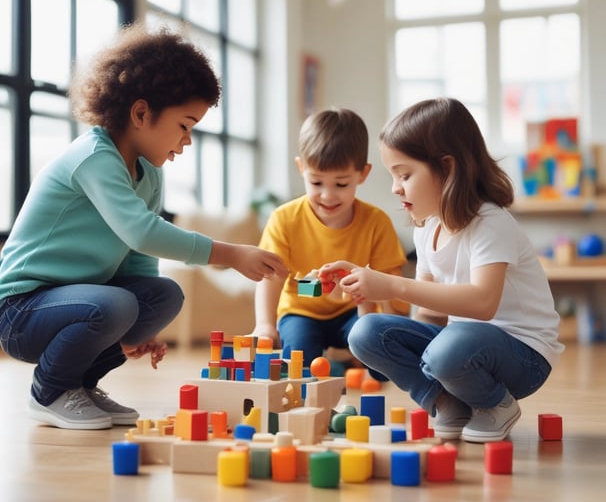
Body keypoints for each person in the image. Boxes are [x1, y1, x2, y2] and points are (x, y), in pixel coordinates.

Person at [0, 23, 288, 431]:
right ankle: (49, 392)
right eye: (184, 125)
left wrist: (139, 330)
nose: (186, 141)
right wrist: (230, 254)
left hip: (77, 302)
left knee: (163, 296)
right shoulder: (94, 158)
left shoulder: (149, 175)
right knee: (116, 305)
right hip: (21, 310)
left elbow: (137, 258)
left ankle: (79, 384)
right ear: (140, 113)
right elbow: (142, 231)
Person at [319, 97, 564, 443]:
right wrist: (406, 348)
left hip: (523, 357)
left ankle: (497, 404)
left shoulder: (489, 222)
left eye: (404, 174)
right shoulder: (427, 228)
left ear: (447, 169)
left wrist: (392, 286)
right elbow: (430, 316)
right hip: (461, 348)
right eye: (393, 175)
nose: (395, 187)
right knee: (365, 333)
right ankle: (447, 402)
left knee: (447, 348)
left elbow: (483, 303)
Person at [252, 108, 408, 373]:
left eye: (341, 184)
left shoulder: (376, 222)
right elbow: (271, 277)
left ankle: (345, 361)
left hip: (353, 313)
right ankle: (338, 363)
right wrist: (265, 324)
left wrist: (369, 309)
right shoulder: (285, 218)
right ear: (301, 168)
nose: (327, 196)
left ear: (363, 174)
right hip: (300, 312)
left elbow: (391, 284)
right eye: (316, 182)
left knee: (379, 364)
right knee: (299, 363)